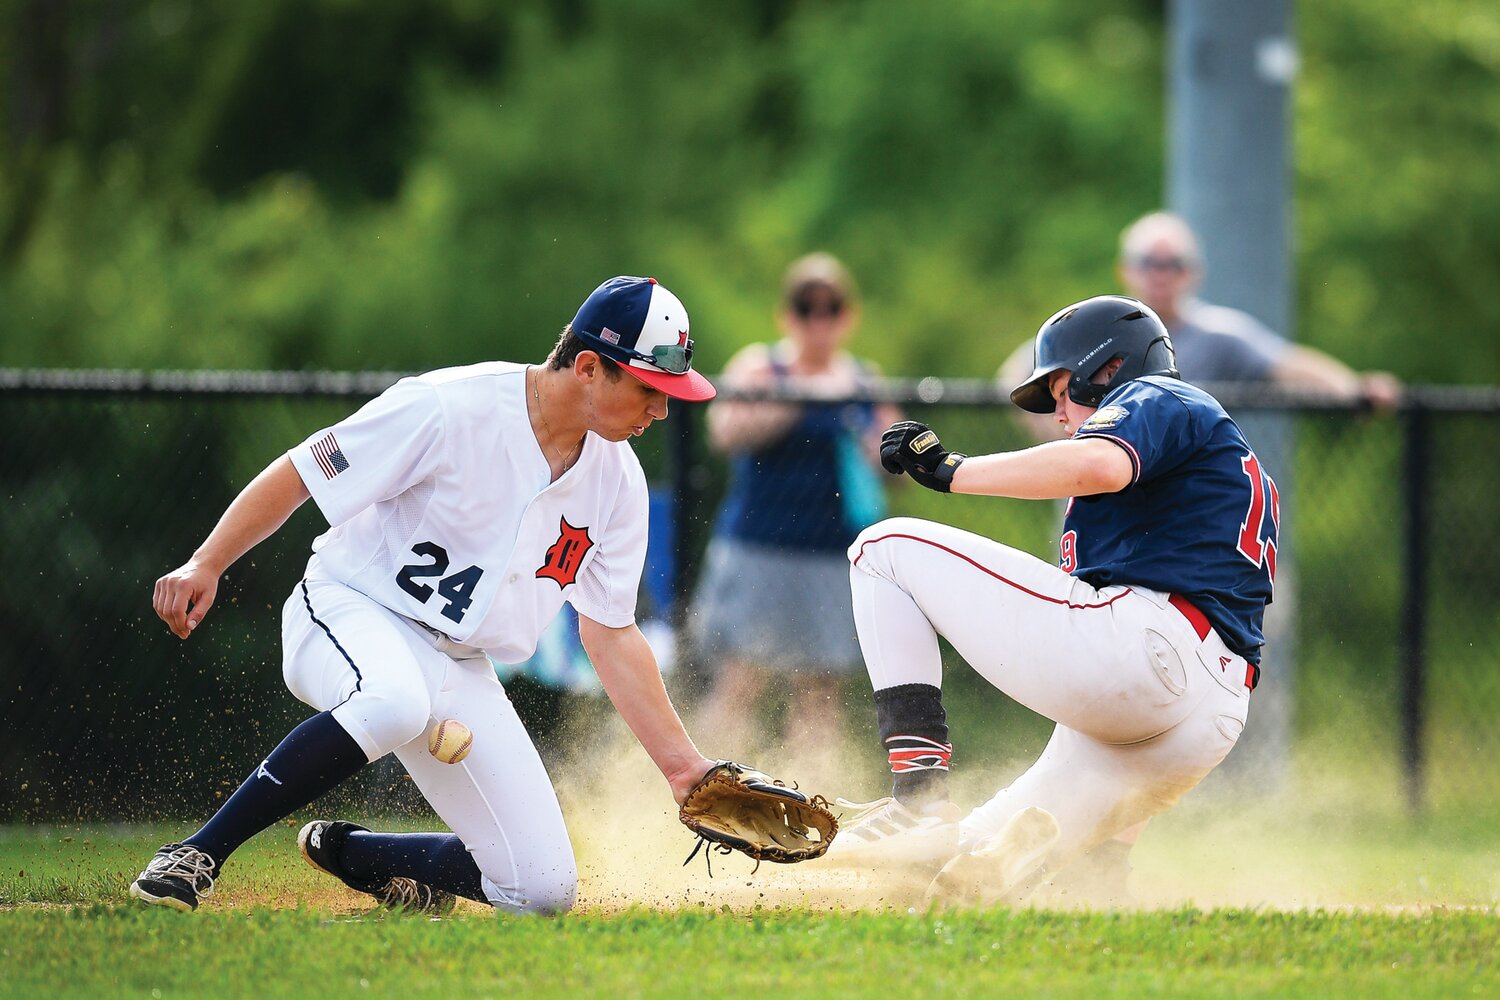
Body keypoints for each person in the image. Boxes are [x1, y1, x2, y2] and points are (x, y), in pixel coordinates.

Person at [130, 276, 721, 914]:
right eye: (649, 389)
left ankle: (366, 859)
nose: (661, 410)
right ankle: (195, 855)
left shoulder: (617, 483)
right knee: (394, 701)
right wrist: (206, 563)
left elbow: (609, 632)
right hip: (348, 607)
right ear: (587, 367)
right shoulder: (450, 407)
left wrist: (683, 770)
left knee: (541, 892)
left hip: (457, 663)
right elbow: (304, 471)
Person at [825, 295, 1279, 908]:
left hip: (1151, 647)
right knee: (941, 880)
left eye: (1061, 390)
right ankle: (1083, 878)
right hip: (1203, 717)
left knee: (883, 549)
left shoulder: (1161, 397)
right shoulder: (1200, 447)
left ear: (1109, 367)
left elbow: (1101, 465)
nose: (1059, 412)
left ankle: (918, 800)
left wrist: (953, 470)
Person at [688, 254, 898, 770]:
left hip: (832, 555)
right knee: (741, 679)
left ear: (848, 315)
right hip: (760, 547)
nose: (819, 320)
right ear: (788, 314)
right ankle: (702, 789)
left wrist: (860, 423)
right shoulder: (761, 367)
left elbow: (891, 463)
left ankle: (809, 801)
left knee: (820, 691)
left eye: (831, 307)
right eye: (807, 307)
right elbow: (724, 433)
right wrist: (797, 398)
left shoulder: (865, 381)